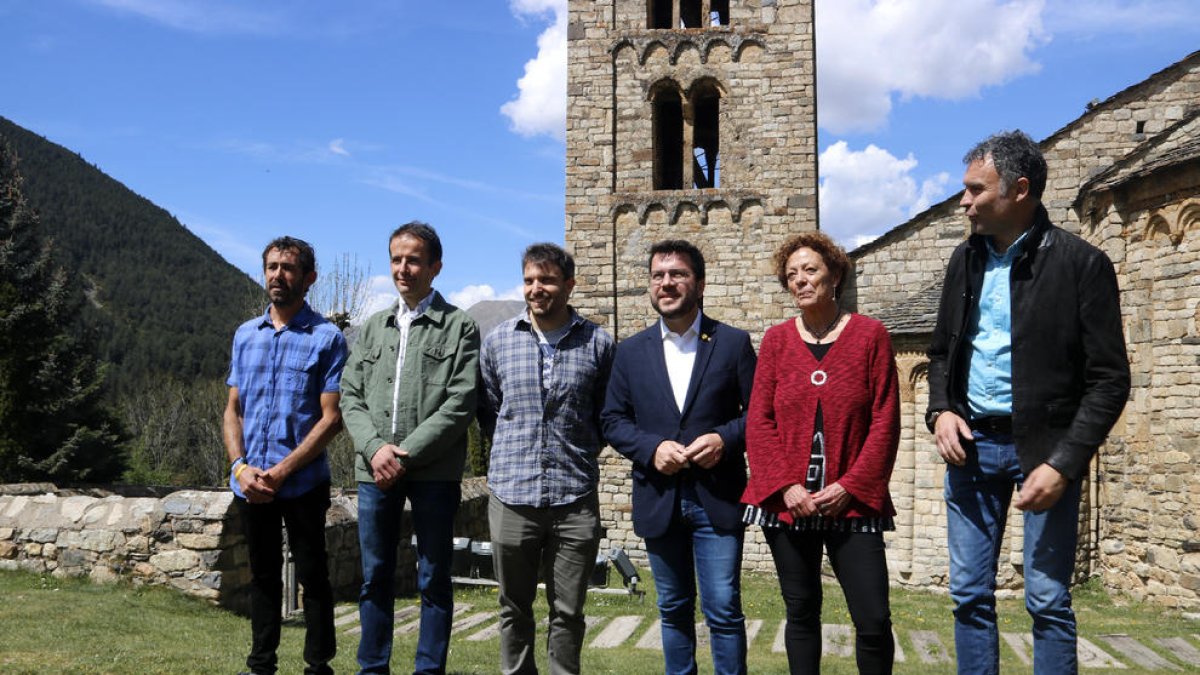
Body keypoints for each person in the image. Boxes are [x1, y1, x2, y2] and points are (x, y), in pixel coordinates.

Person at [927, 130, 1130, 675]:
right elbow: (941, 352)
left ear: (1019, 190)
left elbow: (1110, 379)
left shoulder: (1081, 265)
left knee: (1047, 601)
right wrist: (941, 411)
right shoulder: (963, 261)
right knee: (969, 597)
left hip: (1045, 453)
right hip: (969, 452)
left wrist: (1065, 465)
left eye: (974, 189)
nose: (963, 201)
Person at [742, 231, 900, 674]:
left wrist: (851, 486)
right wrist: (785, 486)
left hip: (852, 504)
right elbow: (759, 421)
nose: (800, 281)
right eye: (791, 275)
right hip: (789, 505)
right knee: (802, 612)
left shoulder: (870, 336)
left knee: (872, 619)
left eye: (810, 270)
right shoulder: (775, 341)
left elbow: (886, 420)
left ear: (834, 276)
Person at [602, 240, 757, 675]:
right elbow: (612, 419)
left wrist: (724, 439)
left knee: (723, 610)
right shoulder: (630, 352)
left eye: (678, 274)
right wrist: (651, 449)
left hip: (717, 497)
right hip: (660, 497)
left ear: (700, 284)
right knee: (672, 609)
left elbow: (761, 414)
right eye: (658, 275)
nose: (666, 283)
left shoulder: (732, 343)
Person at [340, 221, 481, 675]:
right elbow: (350, 395)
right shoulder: (373, 328)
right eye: (396, 259)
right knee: (374, 577)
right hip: (372, 470)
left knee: (433, 578)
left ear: (435, 267)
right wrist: (374, 448)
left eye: (413, 259)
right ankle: (372, 668)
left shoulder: (459, 327)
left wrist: (404, 454)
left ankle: (427, 670)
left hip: (433, 474)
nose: (403, 268)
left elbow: (461, 402)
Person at [478, 242, 615, 675]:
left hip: (574, 498)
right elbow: (490, 411)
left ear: (569, 285)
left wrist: (576, 453)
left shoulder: (599, 344)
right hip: (511, 496)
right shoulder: (498, 341)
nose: (537, 289)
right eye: (530, 280)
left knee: (568, 612)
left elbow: (605, 414)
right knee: (513, 608)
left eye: (548, 280)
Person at [223, 236, 348, 675]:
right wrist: (240, 468)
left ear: (309, 278)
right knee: (262, 576)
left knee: (313, 577)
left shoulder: (327, 338)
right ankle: (261, 665)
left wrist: (280, 472)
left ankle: (318, 665)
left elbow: (331, 419)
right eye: (272, 266)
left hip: (302, 483)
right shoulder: (245, 335)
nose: (278, 275)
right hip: (250, 482)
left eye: (289, 268)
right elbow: (232, 409)